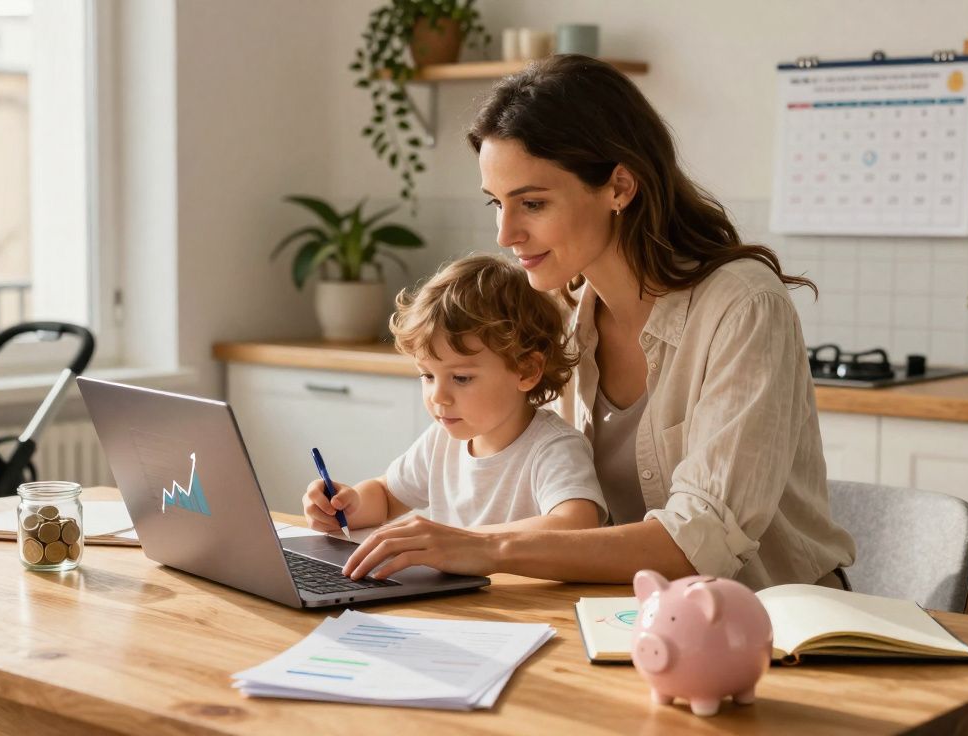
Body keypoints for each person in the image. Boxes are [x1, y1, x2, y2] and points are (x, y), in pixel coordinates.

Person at [343, 54, 856, 590]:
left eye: (533, 203)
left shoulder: (743, 306)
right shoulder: (556, 311)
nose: (505, 233)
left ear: (619, 188)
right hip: (633, 614)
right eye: (496, 203)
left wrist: (484, 546)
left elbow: (696, 543)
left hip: (775, 624)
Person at [302, 254, 607, 537]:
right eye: (428, 376)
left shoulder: (553, 448)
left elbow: (577, 523)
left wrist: (463, 541)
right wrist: (347, 505)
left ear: (526, 370)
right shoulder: (441, 441)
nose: (438, 396)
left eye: (461, 378)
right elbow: (386, 495)